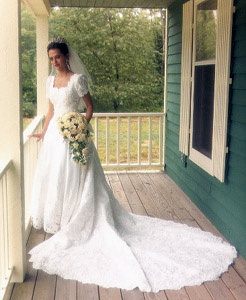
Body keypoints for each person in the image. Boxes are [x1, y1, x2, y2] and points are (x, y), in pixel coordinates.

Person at [28, 37, 237, 293]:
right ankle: (58, 217)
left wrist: (80, 127)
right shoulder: (50, 81)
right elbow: (51, 111)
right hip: (54, 138)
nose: (55, 62)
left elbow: (90, 108)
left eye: (57, 57)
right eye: (51, 58)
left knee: (76, 178)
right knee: (57, 176)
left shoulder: (77, 79)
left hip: (74, 137)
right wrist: (44, 131)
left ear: (66, 56)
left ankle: (76, 218)